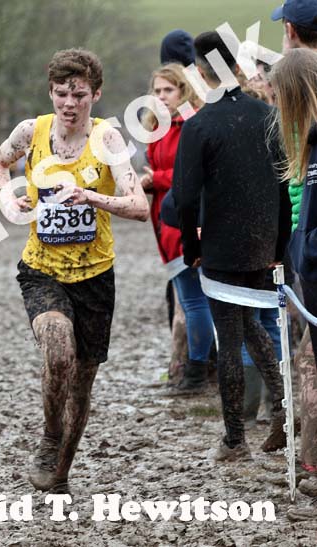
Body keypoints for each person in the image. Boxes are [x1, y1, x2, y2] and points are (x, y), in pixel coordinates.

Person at [0, 49, 149, 493]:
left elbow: (139, 206)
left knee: (80, 383)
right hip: (42, 269)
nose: (69, 103)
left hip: (95, 275)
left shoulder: (108, 140)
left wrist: (91, 196)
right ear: (51, 93)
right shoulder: (31, 131)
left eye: (79, 94)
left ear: (96, 94)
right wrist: (7, 198)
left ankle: (60, 473)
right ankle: (49, 436)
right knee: (58, 350)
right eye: (61, 93)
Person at [173, 31, 289, 461]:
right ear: (237, 68)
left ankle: (235, 439)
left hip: (221, 245)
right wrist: (279, 245)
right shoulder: (268, 115)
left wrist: (190, 248)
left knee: (231, 337)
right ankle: (282, 405)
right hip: (263, 241)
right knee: (251, 324)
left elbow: (185, 198)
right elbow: (283, 186)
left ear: (200, 74)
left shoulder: (199, 125)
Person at [271, 0, 317, 510]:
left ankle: (312, 464)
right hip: (304, 244)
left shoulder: (296, 86)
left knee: (309, 361)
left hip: (307, 247)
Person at [140, 64, 210, 393]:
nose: (162, 96)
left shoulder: (190, 124)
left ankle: (198, 370)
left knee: (195, 300)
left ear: (183, 90)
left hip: (186, 223)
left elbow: (194, 174)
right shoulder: (158, 126)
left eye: (168, 89)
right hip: (164, 220)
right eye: (157, 91)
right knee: (190, 298)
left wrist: (155, 179)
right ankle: (199, 366)